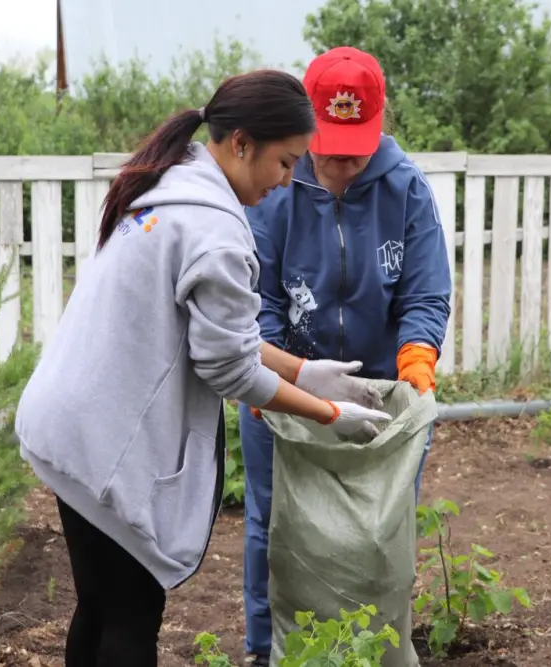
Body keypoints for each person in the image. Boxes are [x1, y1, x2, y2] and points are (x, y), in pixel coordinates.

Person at [13, 69, 393, 667]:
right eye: (285, 162)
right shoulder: (216, 231)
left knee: (100, 606)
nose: (288, 180)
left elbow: (212, 335)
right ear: (241, 143)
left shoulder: (170, 185)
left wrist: (302, 371)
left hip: (71, 421)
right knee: (131, 619)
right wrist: (326, 413)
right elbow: (231, 371)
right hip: (104, 440)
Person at [238, 47, 453, 665]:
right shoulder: (278, 186)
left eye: (355, 145)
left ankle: (371, 651)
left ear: (379, 125)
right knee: (273, 526)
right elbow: (261, 295)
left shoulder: (406, 187)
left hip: (378, 396)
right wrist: (269, 378)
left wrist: (415, 361)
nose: (339, 160)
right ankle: (267, 652)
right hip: (285, 388)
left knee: (380, 531)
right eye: (327, 143)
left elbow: (425, 288)